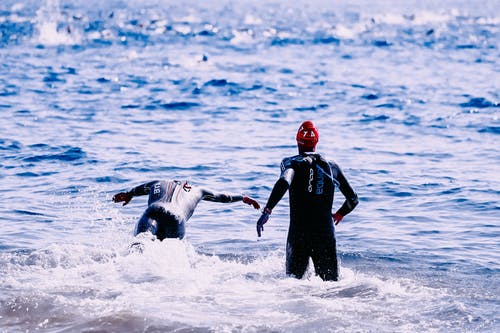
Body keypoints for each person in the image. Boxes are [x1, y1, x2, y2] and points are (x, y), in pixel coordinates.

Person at [255, 121, 358, 281]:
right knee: (331, 287)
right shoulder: (332, 167)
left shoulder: (291, 162)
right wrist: (339, 214)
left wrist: (267, 210)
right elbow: (353, 199)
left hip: (299, 234)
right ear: (316, 142)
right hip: (324, 234)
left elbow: (284, 182)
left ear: (297, 140)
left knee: (292, 285)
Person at [113, 180, 260, 240]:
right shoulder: (198, 189)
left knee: (140, 243)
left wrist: (128, 194)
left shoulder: (158, 182)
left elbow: (139, 189)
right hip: (177, 217)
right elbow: (223, 196)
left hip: (155, 210)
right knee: (167, 258)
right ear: (187, 185)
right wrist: (243, 197)